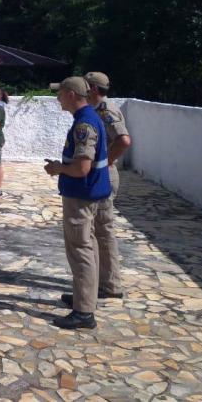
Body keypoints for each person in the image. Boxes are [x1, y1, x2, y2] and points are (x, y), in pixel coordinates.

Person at [44, 77, 112, 330]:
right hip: (88, 194)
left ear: (71, 94)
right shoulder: (90, 117)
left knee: (80, 251)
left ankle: (84, 312)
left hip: (80, 196)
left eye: (60, 93)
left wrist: (58, 168)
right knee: (88, 247)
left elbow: (82, 168)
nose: (57, 98)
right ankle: (85, 297)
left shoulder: (84, 124)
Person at [84, 71, 132, 301]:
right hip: (100, 174)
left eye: (86, 86)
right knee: (97, 230)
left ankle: (110, 284)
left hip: (104, 175)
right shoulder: (96, 109)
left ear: (93, 88)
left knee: (103, 232)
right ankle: (100, 281)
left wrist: (106, 162)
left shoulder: (105, 111)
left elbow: (124, 140)